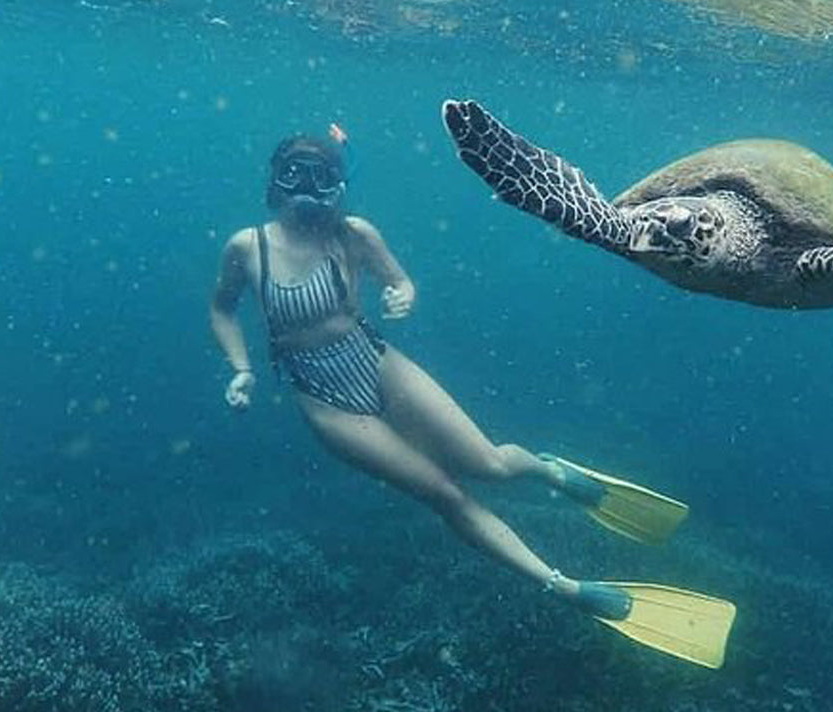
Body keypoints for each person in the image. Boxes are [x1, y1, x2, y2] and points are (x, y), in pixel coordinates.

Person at [209, 125, 733, 668]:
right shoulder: (247, 248)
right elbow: (222, 307)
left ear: (339, 183)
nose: (307, 186)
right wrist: (241, 368)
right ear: (276, 178)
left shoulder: (355, 234)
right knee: (444, 493)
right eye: (295, 172)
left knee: (489, 463)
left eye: (321, 175)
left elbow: (400, 280)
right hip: (321, 395)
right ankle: (565, 586)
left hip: (375, 360)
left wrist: (401, 294)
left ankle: (550, 472)